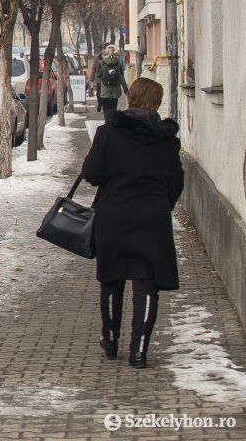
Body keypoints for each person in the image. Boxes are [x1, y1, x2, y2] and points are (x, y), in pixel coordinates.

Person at [80, 77, 183, 369]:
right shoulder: (166, 140)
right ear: (157, 103)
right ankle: (139, 350)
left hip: (113, 216)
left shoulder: (109, 133)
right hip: (152, 218)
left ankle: (110, 340)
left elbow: (93, 173)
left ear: (131, 99)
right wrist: (163, 204)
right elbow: (176, 180)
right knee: (147, 283)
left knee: (112, 279)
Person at [91, 45, 127, 116]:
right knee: (113, 109)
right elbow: (121, 77)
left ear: (106, 52)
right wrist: (126, 90)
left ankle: (107, 123)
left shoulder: (102, 63)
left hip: (105, 91)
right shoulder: (118, 63)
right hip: (115, 91)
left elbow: (98, 75)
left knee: (106, 110)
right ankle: (112, 124)